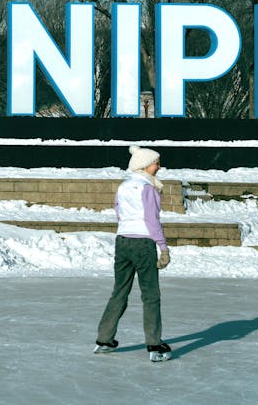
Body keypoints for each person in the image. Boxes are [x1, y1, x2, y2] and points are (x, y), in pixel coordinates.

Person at [94, 145, 172, 362]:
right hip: (143, 243)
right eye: (156, 163)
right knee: (150, 295)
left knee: (119, 291)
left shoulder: (124, 186)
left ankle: (104, 339)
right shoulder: (148, 188)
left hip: (123, 241)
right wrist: (163, 248)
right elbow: (152, 220)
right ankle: (154, 345)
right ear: (145, 166)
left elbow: (119, 212)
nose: (159, 166)